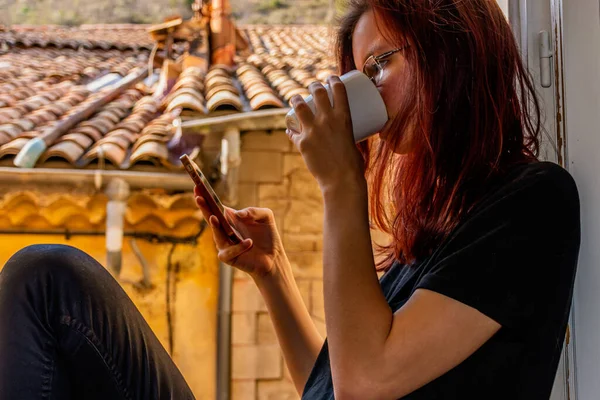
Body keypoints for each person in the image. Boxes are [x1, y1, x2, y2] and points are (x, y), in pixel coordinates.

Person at [0, 0, 580, 399]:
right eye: (359, 72)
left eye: (379, 64)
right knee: (49, 279)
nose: (366, 89)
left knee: (47, 279)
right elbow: (331, 381)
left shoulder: (531, 202)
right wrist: (272, 272)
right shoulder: (435, 231)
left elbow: (365, 384)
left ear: (454, 47)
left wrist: (339, 186)